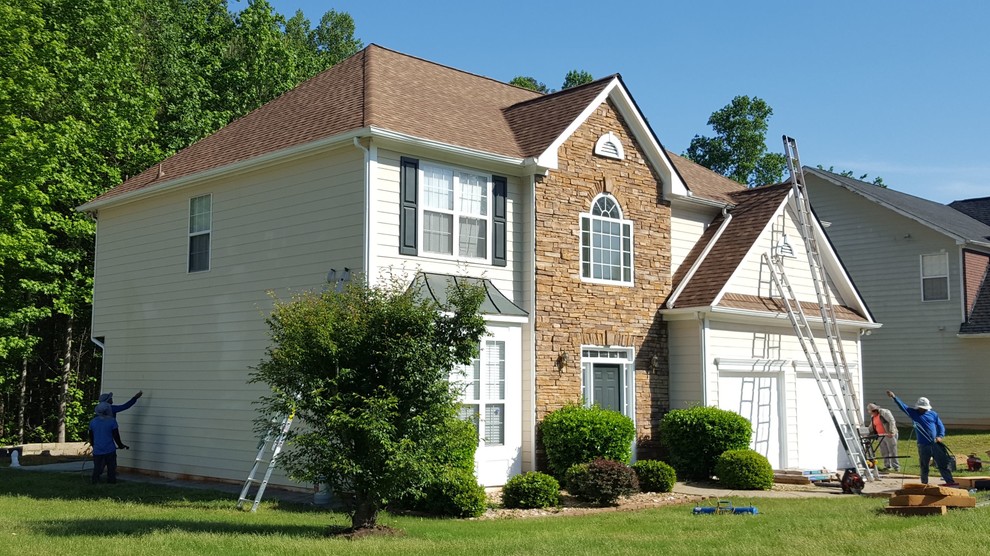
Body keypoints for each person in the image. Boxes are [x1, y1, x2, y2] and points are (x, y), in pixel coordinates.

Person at [886, 390, 957, 486]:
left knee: (942, 463)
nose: (922, 410)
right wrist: (894, 397)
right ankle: (924, 483)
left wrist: (940, 436)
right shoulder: (913, 413)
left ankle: (950, 481)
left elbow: (940, 426)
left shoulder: (933, 414)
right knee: (924, 465)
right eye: (921, 408)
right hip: (923, 445)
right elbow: (903, 406)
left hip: (935, 443)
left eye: (924, 408)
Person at [88, 402, 129, 484]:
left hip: (97, 450)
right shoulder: (112, 421)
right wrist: (120, 445)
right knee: (111, 467)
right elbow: (116, 436)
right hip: (110, 449)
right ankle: (111, 481)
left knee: (97, 467)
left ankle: (95, 481)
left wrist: (94, 446)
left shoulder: (93, 422)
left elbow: (91, 436)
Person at [866, 402, 900, 472]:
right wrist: (866, 433)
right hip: (880, 435)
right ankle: (887, 466)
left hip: (889, 434)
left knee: (892, 451)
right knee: (884, 451)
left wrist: (891, 432)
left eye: (872, 411)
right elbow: (871, 426)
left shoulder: (885, 412)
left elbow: (892, 421)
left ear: (876, 410)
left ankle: (896, 467)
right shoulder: (873, 417)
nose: (871, 413)